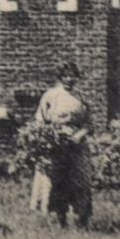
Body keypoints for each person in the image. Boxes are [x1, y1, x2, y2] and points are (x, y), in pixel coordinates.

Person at [30, 61, 93, 228]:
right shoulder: (51, 95)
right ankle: (60, 221)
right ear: (60, 77)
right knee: (57, 181)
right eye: (65, 76)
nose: (69, 79)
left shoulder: (81, 98)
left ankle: (82, 221)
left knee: (80, 181)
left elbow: (89, 124)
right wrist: (48, 138)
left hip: (77, 146)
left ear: (77, 78)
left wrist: (80, 135)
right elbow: (40, 121)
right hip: (56, 146)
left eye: (72, 76)